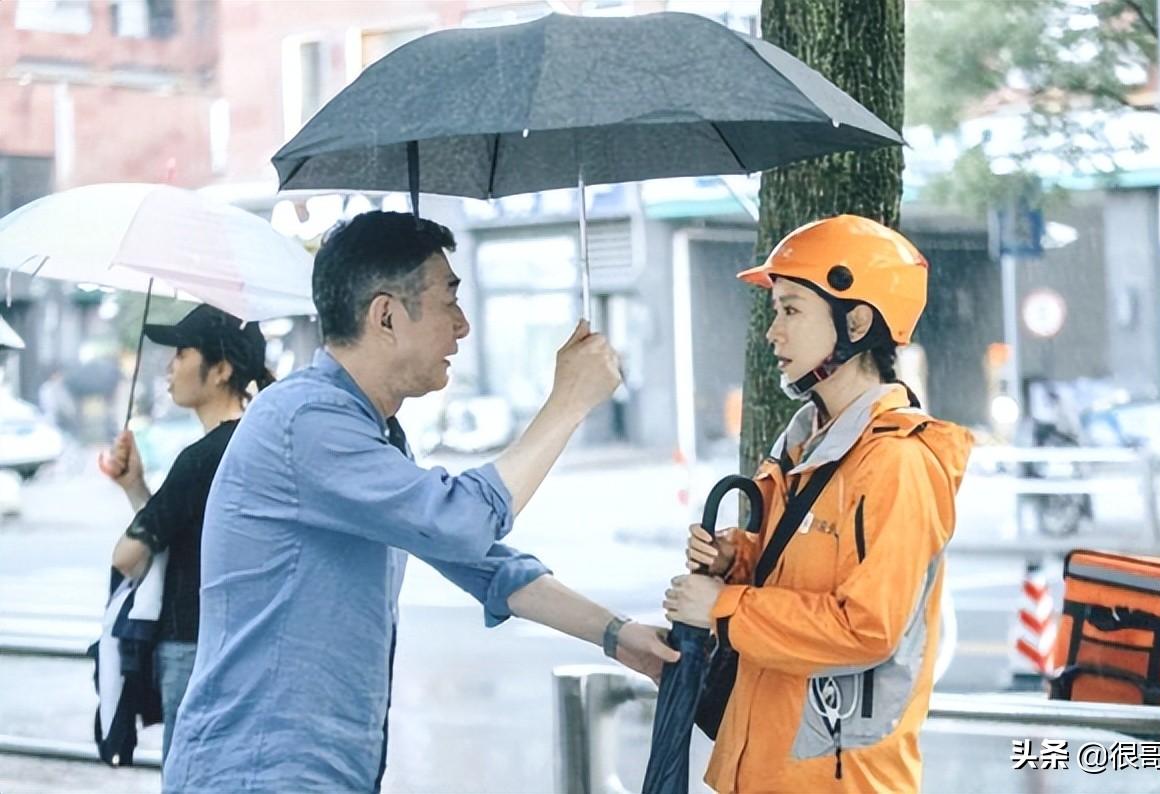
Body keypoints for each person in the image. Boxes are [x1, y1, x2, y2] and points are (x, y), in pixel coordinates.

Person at [163, 211, 677, 793]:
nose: (462, 326)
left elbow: (484, 563)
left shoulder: (369, 430)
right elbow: (459, 522)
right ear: (385, 315)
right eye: (448, 301)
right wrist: (568, 403)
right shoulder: (305, 420)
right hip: (259, 773)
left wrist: (618, 636)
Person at [665, 215, 973, 793]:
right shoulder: (807, 448)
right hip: (767, 771)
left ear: (855, 321)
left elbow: (868, 627)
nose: (773, 333)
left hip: (838, 781)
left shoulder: (896, 464)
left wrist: (724, 608)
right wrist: (737, 558)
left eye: (791, 310)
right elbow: (804, 575)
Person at [98, 304, 273, 762]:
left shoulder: (202, 458)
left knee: (188, 776)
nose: (169, 367)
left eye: (181, 354)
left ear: (221, 369)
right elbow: (178, 531)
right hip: (244, 647)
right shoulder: (254, 444)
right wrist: (135, 486)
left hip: (190, 646)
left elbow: (128, 555)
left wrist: (137, 500)